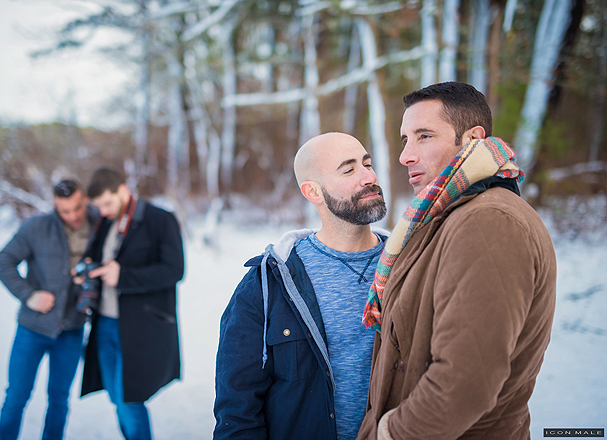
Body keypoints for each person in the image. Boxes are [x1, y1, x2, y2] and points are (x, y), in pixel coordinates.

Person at [357, 82, 557, 440]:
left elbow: (464, 381)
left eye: (424, 136)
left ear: (472, 139)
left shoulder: (488, 221)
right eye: (405, 140)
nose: (406, 156)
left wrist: (389, 433)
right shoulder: (446, 217)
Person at [214, 132, 390, 440]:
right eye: (349, 170)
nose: (369, 177)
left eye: (367, 164)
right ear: (313, 191)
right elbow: (238, 407)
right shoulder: (269, 282)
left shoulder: (412, 263)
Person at [79, 167, 184, 440]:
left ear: (123, 190)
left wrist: (123, 276)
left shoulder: (160, 219)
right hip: (103, 324)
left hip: (139, 327)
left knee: (129, 398)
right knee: (117, 397)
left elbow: (175, 270)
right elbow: (100, 258)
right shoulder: (106, 221)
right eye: (99, 206)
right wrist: (87, 269)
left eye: (107, 203)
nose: (103, 211)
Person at [0, 179, 98, 440]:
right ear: (55, 205)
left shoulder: (101, 225)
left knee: (59, 400)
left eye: (77, 208)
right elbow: (3, 262)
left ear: (85, 199)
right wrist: (29, 296)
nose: (72, 216)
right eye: (65, 211)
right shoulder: (36, 227)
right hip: (32, 329)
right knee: (16, 397)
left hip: (72, 330)